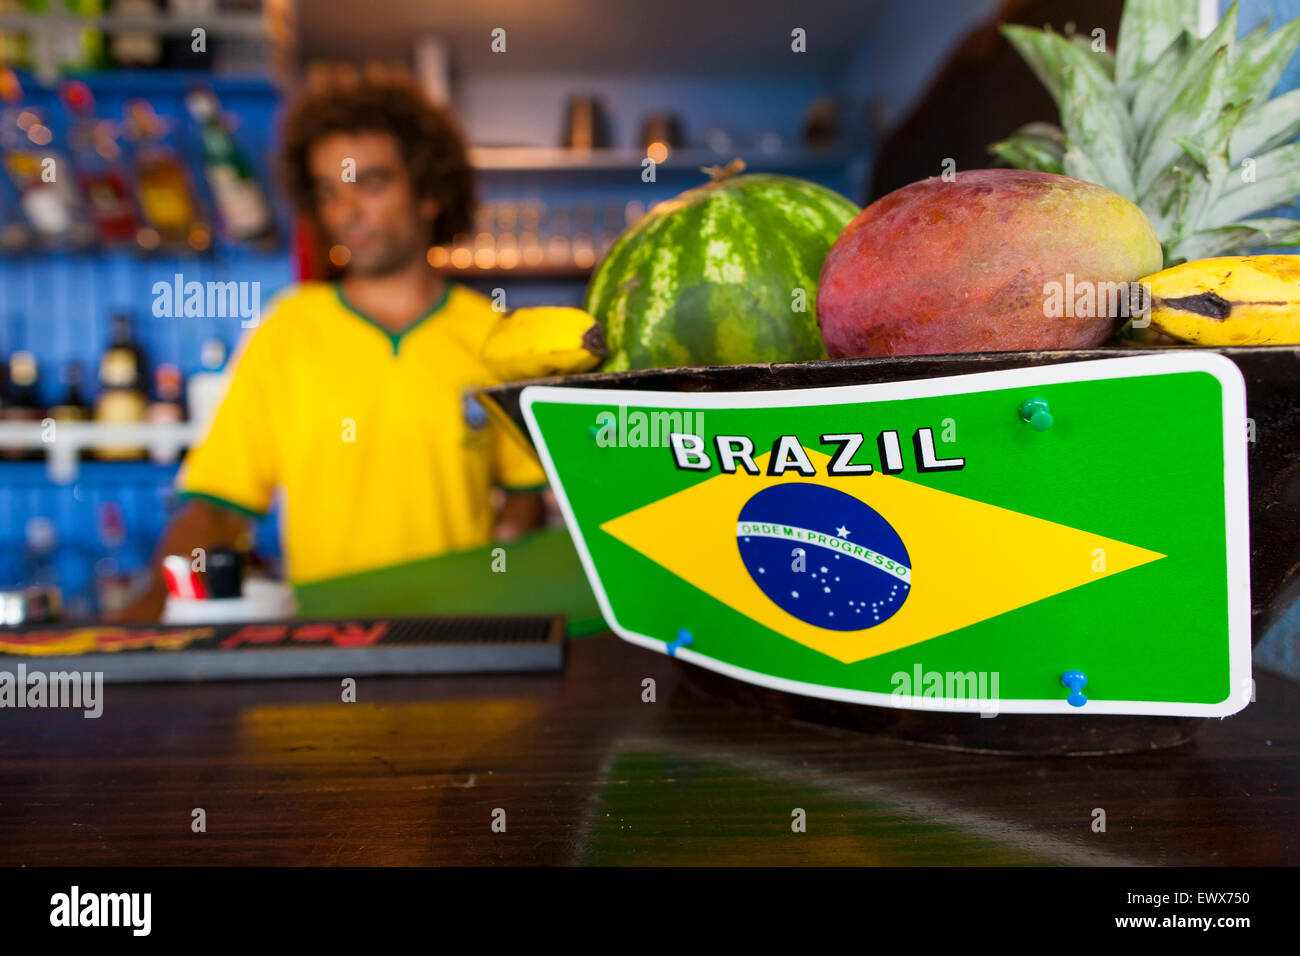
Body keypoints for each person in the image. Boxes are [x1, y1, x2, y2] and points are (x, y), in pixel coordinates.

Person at [114, 74, 546, 621]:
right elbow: (217, 507)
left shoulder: (493, 336)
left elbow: (526, 488)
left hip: (466, 637)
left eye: (371, 183)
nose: (346, 211)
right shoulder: (288, 331)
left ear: (431, 191)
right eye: (328, 191)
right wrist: (153, 602)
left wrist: (503, 560)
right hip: (328, 645)